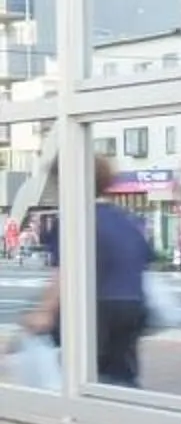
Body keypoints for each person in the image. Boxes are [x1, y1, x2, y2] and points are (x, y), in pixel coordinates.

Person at [23, 157, 154, 386]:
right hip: (132, 306)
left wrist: (44, 312)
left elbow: (64, 271)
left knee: (82, 377)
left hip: (95, 308)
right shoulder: (127, 220)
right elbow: (142, 261)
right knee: (121, 375)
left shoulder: (74, 219)